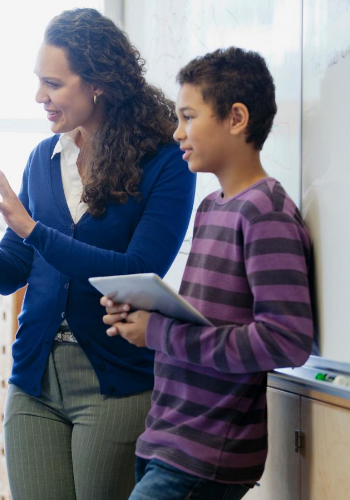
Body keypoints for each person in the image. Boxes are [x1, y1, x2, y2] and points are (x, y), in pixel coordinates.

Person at [0, 8, 196, 499]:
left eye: (52, 84)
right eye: (39, 81)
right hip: (34, 375)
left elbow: (137, 271)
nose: (40, 96)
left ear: (98, 83)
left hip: (114, 378)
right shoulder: (44, 157)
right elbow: (12, 272)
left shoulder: (165, 162)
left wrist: (34, 230)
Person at [106, 48, 315, 500]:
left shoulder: (265, 212)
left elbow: (287, 341)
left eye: (188, 117)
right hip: (169, 438)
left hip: (207, 452)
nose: (177, 132)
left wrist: (158, 331)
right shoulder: (211, 207)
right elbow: (209, 321)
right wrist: (143, 313)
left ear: (236, 118)